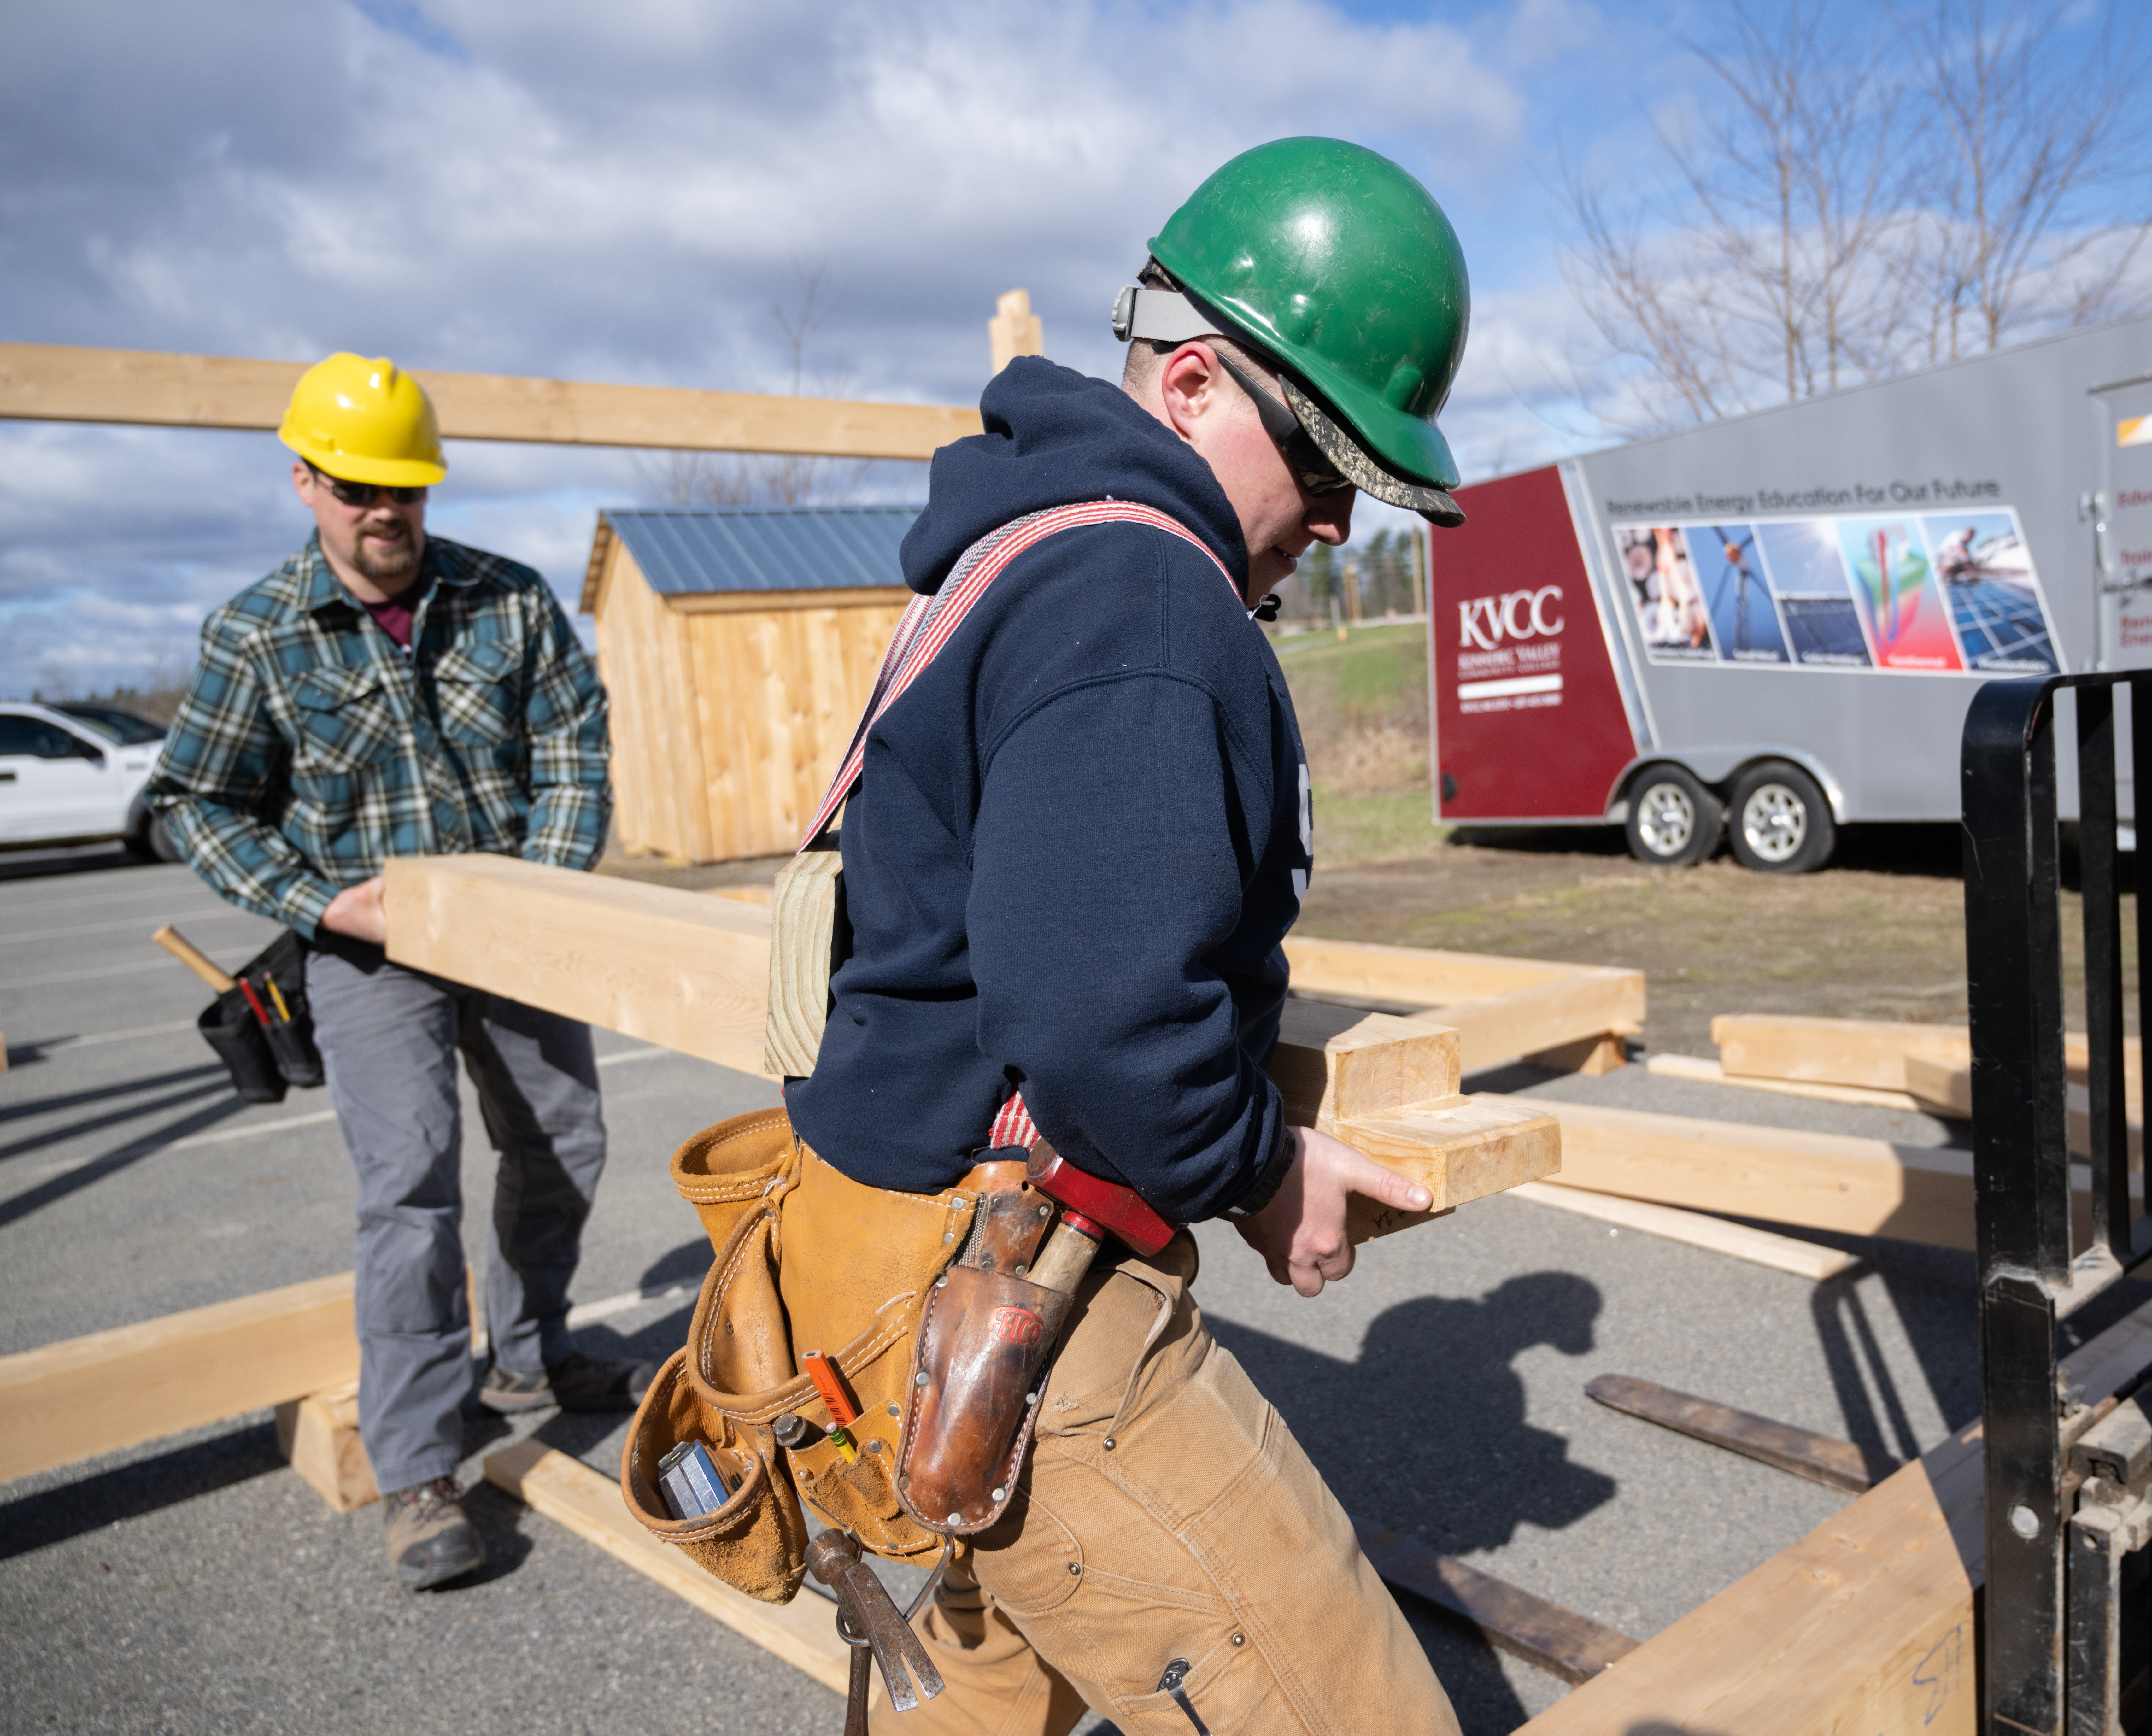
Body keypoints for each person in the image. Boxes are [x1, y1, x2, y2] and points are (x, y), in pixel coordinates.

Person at [781, 137, 1472, 1731]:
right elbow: (1100, 1016)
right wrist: (1265, 1165)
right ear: (1192, 386)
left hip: (890, 1272)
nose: (1334, 527)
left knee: (976, 1699)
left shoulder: (1021, 550)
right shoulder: (1141, 594)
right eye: (1320, 470)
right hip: (1020, 1294)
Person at [146, 354, 648, 1592]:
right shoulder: (258, 632)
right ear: (308, 479)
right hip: (367, 949)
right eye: (360, 488)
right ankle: (421, 1460)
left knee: (565, 1141)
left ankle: (528, 1352)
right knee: (410, 1182)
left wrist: (537, 885)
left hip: (511, 928)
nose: (387, 513)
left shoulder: (508, 600)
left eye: (407, 491)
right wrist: (321, 899)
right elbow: (197, 803)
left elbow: (574, 743)